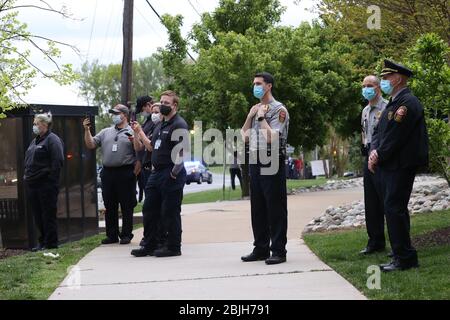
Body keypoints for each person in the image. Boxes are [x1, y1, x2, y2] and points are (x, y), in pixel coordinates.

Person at [369, 60, 429, 272]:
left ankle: (404, 257)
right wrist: (374, 150)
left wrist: (379, 154)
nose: (383, 81)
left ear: (398, 79)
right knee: (393, 209)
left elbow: (395, 137)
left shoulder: (407, 104)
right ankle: (402, 254)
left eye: (386, 78)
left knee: (394, 208)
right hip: (390, 164)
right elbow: (378, 131)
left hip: (400, 165)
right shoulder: (393, 104)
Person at [130, 90, 189, 258]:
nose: (162, 105)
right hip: (156, 173)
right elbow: (149, 147)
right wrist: (139, 131)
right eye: (161, 102)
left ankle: (173, 246)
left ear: (175, 106)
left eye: (166, 103)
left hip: (170, 172)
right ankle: (149, 244)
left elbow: (182, 152)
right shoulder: (160, 125)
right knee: (149, 209)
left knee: (169, 211)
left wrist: (173, 173)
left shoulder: (179, 124)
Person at [241, 72, 290, 265]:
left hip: (272, 159)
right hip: (255, 158)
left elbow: (271, 138)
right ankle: (260, 248)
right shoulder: (256, 109)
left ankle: (278, 250)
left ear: (269, 86)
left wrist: (262, 119)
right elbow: (244, 136)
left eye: (259, 83)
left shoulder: (279, 110)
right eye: (254, 83)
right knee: (258, 207)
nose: (255, 87)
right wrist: (250, 115)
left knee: (275, 207)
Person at [83, 104, 138, 245]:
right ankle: (111, 235)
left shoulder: (132, 131)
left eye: (116, 113)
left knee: (126, 205)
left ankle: (126, 234)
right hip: (108, 172)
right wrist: (87, 130)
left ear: (124, 115)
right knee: (110, 205)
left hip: (125, 171)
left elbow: (139, 151)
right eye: (112, 113)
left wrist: (135, 171)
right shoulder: (105, 132)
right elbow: (90, 144)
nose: (113, 116)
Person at [24, 112, 64, 252]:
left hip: (46, 184)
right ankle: (42, 242)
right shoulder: (34, 141)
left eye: (36, 123)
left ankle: (51, 243)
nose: (34, 126)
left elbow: (57, 161)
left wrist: (51, 180)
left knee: (48, 214)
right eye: (34, 123)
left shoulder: (53, 140)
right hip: (32, 184)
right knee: (38, 214)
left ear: (44, 124)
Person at [359, 75, 388, 255]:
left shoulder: (387, 107)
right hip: (368, 153)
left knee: (387, 200)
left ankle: (397, 241)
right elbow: (365, 133)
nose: (366, 89)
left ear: (378, 88)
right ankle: (375, 241)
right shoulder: (365, 110)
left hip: (382, 156)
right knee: (371, 202)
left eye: (369, 85)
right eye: (364, 86)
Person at [134, 96, 163, 248]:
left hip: (156, 168)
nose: (151, 113)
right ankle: (150, 238)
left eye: (155, 111)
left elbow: (150, 146)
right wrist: (135, 134)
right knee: (149, 207)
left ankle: (157, 238)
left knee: (155, 207)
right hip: (146, 166)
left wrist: (140, 133)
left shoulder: (158, 124)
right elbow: (139, 147)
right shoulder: (147, 123)